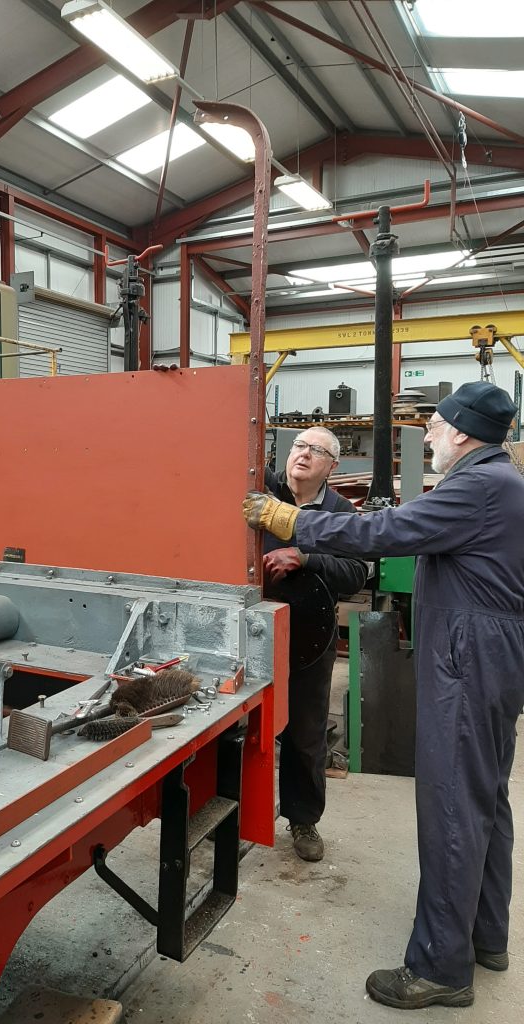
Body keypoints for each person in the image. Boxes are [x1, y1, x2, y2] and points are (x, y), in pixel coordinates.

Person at [243, 381, 524, 1010]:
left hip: (468, 656)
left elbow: (389, 532)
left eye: (434, 427)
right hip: (489, 653)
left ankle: (440, 968)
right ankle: (485, 936)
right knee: (483, 798)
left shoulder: (478, 485)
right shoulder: (497, 482)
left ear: (461, 432)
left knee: (452, 804)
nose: (424, 435)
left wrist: (289, 521)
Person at [264, 427, 367, 862]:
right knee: (239, 726)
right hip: (253, 626)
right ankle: (232, 809)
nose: (303, 455)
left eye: (316, 451)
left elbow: (357, 573)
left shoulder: (342, 512)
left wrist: (306, 557)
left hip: (311, 634)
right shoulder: (261, 489)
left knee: (305, 733)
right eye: (299, 446)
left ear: (332, 466)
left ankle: (302, 818)